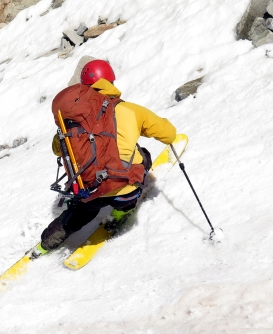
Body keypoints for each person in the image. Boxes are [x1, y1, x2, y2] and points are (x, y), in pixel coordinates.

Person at [33, 59, 177, 257]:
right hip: (124, 188)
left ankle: (45, 244)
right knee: (143, 156)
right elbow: (169, 135)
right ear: (110, 82)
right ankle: (121, 211)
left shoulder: (72, 121)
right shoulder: (130, 110)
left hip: (89, 191)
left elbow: (57, 149)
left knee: (79, 213)